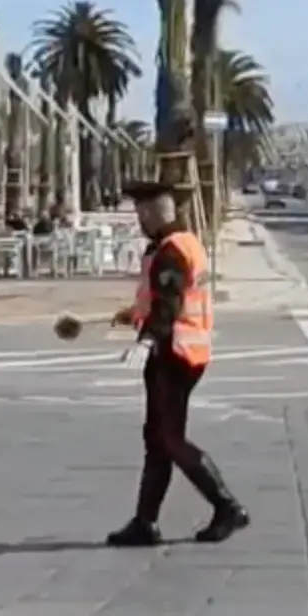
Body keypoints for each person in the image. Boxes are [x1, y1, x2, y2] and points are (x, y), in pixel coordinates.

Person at [103, 182, 249, 548]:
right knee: (157, 439)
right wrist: (135, 314)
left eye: (141, 212)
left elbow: (169, 304)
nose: (138, 219)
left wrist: (149, 338)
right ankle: (145, 522)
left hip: (174, 353)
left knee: (168, 438)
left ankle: (227, 506)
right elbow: (166, 299)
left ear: (155, 212)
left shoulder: (170, 251)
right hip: (185, 351)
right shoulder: (184, 243)